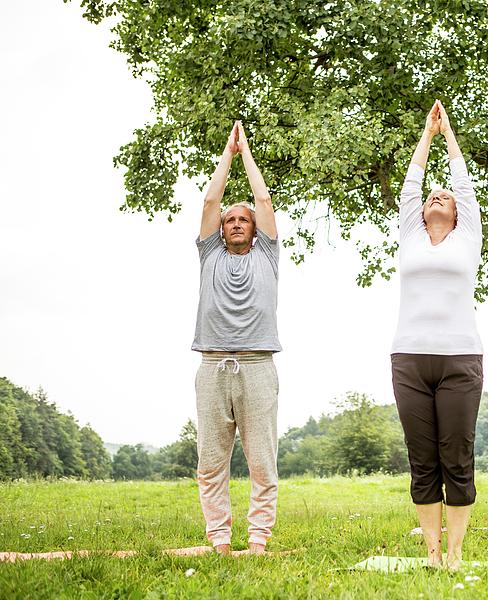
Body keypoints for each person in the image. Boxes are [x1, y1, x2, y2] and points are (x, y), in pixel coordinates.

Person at [391, 100, 483, 569]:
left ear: (457, 212)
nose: (435, 197)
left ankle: (455, 552)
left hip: (460, 359)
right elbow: (411, 185)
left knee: (456, 456)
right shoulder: (409, 235)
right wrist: (425, 135)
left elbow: (463, 184)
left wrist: (447, 133)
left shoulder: (469, 238)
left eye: (443, 197)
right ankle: (431, 553)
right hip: (408, 359)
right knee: (422, 458)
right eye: (431, 197)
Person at [192, 120, 281, 554]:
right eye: (230, 219)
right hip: (212, 366)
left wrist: (246, 152)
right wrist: (227, 153)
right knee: (211, 463)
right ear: (221, 229)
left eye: (244, 219)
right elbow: (211, 199)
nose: (237, 223)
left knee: (262, 461)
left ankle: (259, 539)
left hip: (257, 364)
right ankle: (219, 541)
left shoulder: (268, 253)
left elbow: (262, 198)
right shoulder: (209, 253)